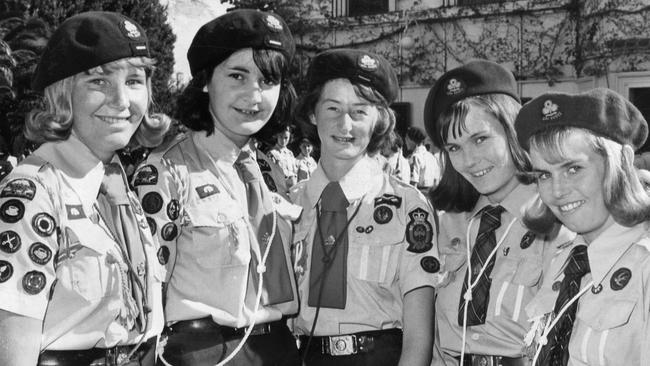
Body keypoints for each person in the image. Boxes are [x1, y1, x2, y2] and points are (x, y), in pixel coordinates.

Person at [0, 11, 169, 366]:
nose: (122, 101)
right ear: (63, 94)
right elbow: (12, 344)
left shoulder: (116, 186)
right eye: (98, 82)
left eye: (135, 81)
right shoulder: (33, 192)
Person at [135, 9, 301, 366]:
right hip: (205, 351)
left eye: (267, 81)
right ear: (207, 80)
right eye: (237, 76)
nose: (253, 96)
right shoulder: (167, 171)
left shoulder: (267, 170)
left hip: (278, 349)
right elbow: (146, 285)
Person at [290, 48, 442, 366]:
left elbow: (419, 336)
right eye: (332, 108)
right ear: (313, 113)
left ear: (378, 121)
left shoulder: (408, 207)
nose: (345, 124)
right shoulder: (290, 206)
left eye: (360, 111)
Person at [423, 60, 573, 366]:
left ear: (512, 130)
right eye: (454, 148)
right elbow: (438, 341)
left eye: (480, 139)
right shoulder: (449, 224)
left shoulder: (559, 220)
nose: (469, 160)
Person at [515, 88, 650, 366]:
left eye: (573, 169)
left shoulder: (645, 266)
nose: (557, 191)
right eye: (543, 175)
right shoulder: (567, 259)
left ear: (619, 164)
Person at [405, 126, 441, 192]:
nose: (405, 141)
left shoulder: (415, 157)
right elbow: (436, 181)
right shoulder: (432, 157)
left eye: (407, 138)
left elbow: (413, 183)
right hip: (432, 194)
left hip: (420, 194)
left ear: (412, 140)